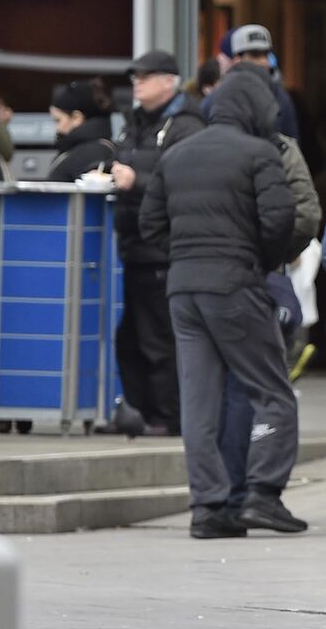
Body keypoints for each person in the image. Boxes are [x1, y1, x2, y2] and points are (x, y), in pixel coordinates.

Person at [138, 63, 302, 540]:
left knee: (199, 402)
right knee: (273, 392)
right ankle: (262, 494)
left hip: (183, 291)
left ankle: (207, 509)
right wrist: (260, 263)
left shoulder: (177, 154)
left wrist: (186, 257)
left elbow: (150, 225)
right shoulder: (259, 153)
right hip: (236, 285)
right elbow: (281, 220)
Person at [109, 50, 205, 436]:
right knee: (130, 339)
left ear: (170, 81)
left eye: (146, 77)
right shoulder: (134, 123)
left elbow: (186, 182)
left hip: (162, 251)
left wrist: (137, 182)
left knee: (159, 338)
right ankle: (144, 413)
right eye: (135, 77)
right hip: (132, 246)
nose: (137, 83)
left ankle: (167, 417)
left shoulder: (185, 125)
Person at [220, 25, 300, 140]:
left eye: (265, 54)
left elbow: (289, 147)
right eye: (255, 55)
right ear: (237, 59)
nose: (263, 61)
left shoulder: (280, 98)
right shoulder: (220, 96)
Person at [45, 80, 115, 182]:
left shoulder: (92, 152)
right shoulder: (78, 149)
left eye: (58, 120)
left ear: (77, 118)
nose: (57, 128)